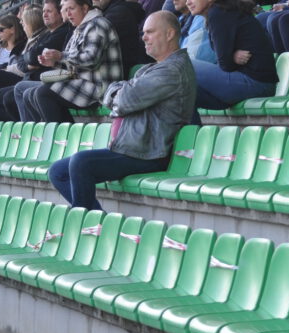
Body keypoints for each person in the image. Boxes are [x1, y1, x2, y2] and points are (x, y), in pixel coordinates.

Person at [48, 11, 196, 211]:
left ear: (169, 34)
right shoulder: (153, 68)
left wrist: (117, 92)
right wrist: (119, 91)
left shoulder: (171, 70)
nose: (143, 37)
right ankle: (98, 220)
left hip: (150, 153)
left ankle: (85, 224)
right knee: (57, 171)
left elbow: (125, 99)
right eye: (144, 33)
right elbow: (122, 91)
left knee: (81, 163)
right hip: (135, 147)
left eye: (150, 32)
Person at [13, 0, 122, 123]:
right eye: (65, 10)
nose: (68, 14)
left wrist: (60, 56)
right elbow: (73, 63)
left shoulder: (98, 24)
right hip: (80, 81)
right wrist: (53, 63)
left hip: (99, 87)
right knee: (30, 93)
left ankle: (58, 140)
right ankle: (54, 137)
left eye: (72, 8)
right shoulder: (79, 28)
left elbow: (91, 59)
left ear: (84, 8)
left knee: (43, 93)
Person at [184, 0, 277, 109]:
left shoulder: (218, 13)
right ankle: (192, 129)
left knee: (183, 64)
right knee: (184, 93)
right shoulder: (220, 11)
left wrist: (230, 58)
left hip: (256, 84)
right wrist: (232, 55)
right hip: (252, 83)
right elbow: (224, 59)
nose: (187, 2)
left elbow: (225, 64)